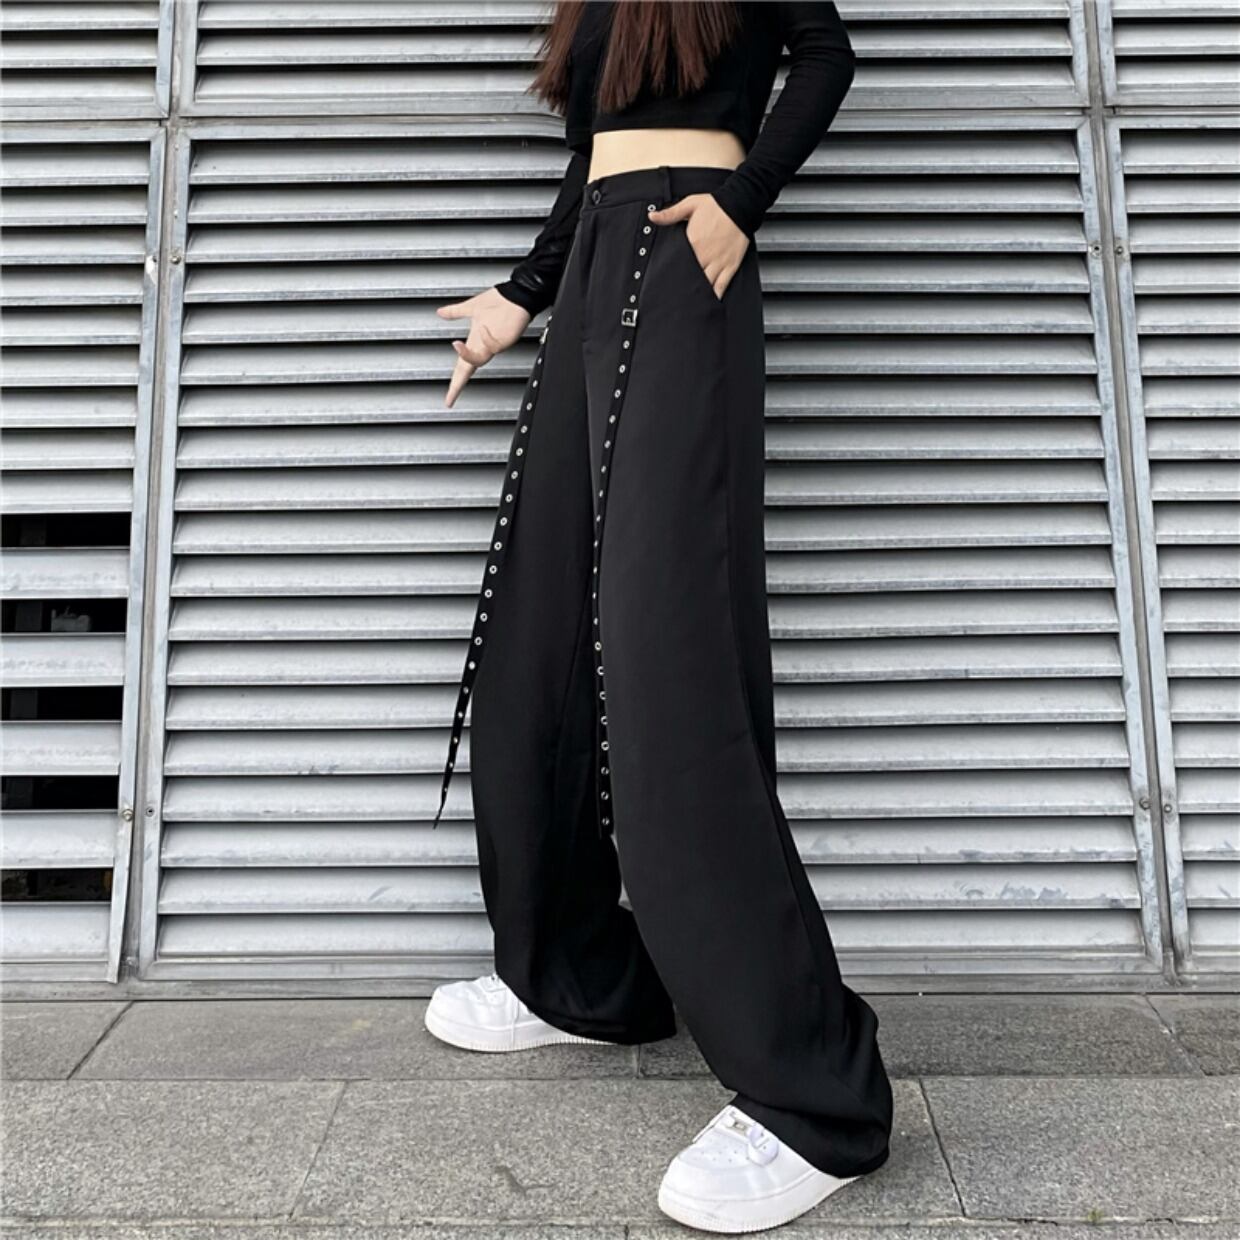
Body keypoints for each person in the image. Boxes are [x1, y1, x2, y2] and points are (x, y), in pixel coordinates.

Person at [425, 2, 893, 1231]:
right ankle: (578, 974)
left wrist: (744, 200)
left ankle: (813, 1093)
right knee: (534, 645)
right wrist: (521, 294)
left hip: (688, 249)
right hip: (598, 256)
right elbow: (593, 160)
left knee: (667, 651)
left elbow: (825, 54)